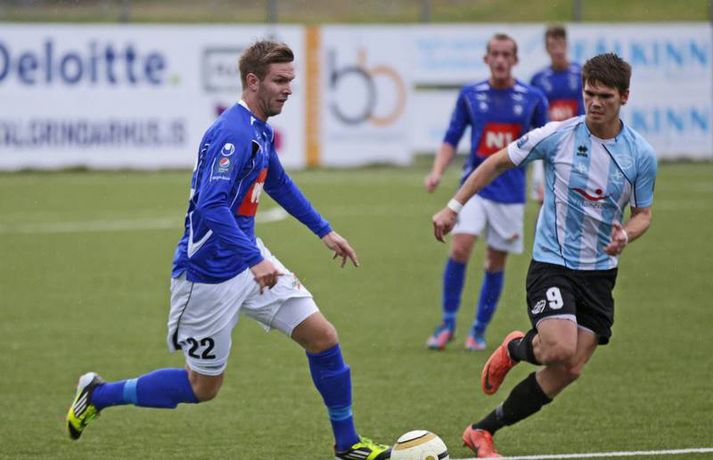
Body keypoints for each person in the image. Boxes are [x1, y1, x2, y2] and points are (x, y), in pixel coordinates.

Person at [66, 40, 391, 460]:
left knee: (323, 338)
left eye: (291, 80)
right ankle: (99, 394)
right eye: (280, 80)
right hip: (207, 276)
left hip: (248, 260)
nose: (289, 89)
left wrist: (324, 231)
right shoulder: (233, 133)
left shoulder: (259, 129)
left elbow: (278, 183)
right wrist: (253, 259)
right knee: (203, 387)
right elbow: (210, 204)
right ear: (253, 81)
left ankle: (348, 444)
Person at [432, 53, 657, 457]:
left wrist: (627, 233)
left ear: (624, 96)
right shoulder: (558, 135)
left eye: (605, 96)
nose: (595, 103)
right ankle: (516, 348)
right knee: (558, 348)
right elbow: (495, 162)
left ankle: (482, 431)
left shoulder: (640, 155)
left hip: (599, 273)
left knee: (569, 368)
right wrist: (453, 206)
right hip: (553, 263)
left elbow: (644, 214)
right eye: (589, 94)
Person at [424, 33, 548, 351]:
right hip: (474, 189)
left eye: (506, 54)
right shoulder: (471, 95)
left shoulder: (533, 99)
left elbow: (547, 147)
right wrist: (437, 171)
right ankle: (447, 324)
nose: (500, 60)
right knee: (459, 247)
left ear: (516, 60)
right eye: (495, 53)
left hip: (510, 194)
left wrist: (543, 185)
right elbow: (452, 137)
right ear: (486, 58)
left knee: (494, 261)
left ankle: (478, 331)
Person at [529, 25, 585, 208]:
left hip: (575, 145)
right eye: (553, 46)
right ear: (547, 49)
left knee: (575, 200)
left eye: (561, 44)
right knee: (544, 201)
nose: (558, 50)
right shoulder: (538, 79)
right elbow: (533, 117)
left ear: (567, 45)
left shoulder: (581, 74)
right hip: (547, 146)